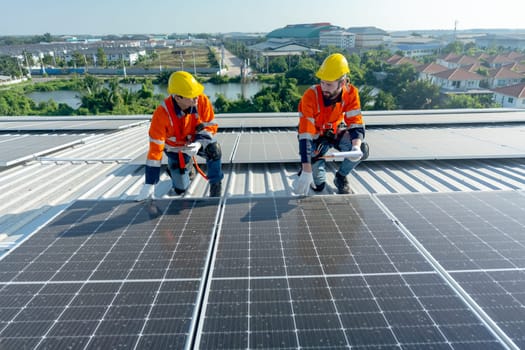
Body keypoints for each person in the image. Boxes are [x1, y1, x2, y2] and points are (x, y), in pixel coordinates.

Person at [136, 71, 224, 201]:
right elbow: (155, 151)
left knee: (214, 149)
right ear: (178, 98)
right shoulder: (161, 114)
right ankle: (177, 170)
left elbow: (210, 126)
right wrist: (150, 183)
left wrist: (199, 143)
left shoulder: (201, 101)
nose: (197, 98)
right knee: (181, 189)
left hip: (196, 143)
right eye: (192, 96)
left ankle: (216, 187)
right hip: (175, 150)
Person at [294, 53, 368, 195]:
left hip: (334, 132)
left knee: (362, 150)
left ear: (342, 83)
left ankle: (340, 177)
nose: (323, 87)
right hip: (314, 138)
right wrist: (306, 168)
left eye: (328, 84)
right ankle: (312, 164)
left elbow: (355, 122)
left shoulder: (351, 93)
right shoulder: (310, 96)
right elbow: (305, 134)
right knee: (318, 186)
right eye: (322, 82)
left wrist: (355, 146)